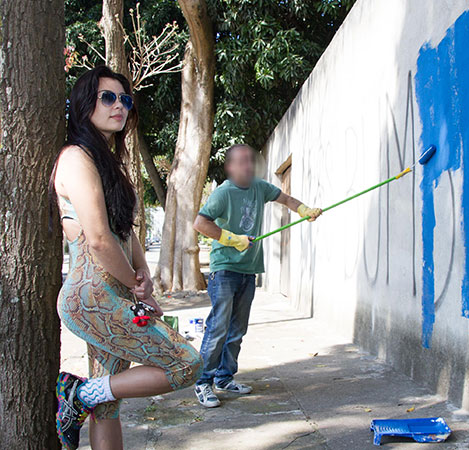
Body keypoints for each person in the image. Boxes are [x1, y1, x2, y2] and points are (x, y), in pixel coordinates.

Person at [53, 66, 203, 450]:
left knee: (109, 405)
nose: (119, 105)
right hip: (91, 297)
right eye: (108, 97)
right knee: (187, 364)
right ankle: (78, 394)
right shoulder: (75, 157)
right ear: (85, 104)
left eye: (125, 99)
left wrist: (143, 273)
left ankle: (89, 395)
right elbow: (100, 241)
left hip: (111, 295)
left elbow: (123, 230)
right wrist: (135, 288)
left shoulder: (106, 161)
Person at [192, 144, 322, 407]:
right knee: (218, 327)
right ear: (230, 167)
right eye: (241, 162)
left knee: (237, 330)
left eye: (250, 161)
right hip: (225, 269)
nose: (248, 166)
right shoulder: (223, 193)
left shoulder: (260, 187)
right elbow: (201, 223)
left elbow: (285, 199)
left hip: (248, 269)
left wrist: (304, 209)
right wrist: (230, 238)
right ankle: (203, 382)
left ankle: (225, 378)